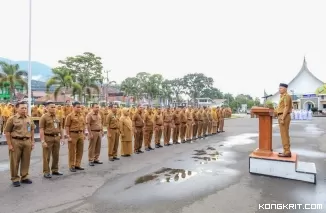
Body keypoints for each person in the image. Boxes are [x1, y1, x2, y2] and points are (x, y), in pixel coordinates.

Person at [5, 101, 35, 187]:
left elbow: (32, 130)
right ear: (17, 108)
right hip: (16, 141)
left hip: (27, 141)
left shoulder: (29, 118)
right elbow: (7, 132)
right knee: (15, 161)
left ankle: (24, 177)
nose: (24, 110)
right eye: (22, 108)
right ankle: (15, 178)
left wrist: (32, 141)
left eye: (25, 108)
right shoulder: (12, 119)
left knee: (26, 160)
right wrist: (10, 144)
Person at [39, 101, 64, 178]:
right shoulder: (44, 117)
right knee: (47, 156)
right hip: (48, 137)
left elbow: (61, 128)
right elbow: (41, 129)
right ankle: (46, 171)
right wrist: (43, 141)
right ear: (46, 108)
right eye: (51, 107)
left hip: (56, 137)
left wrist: (62, 137)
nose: (53, 108)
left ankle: (55, 170)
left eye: (54, 107)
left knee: (56, 155)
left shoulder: (57, 117)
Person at [65, 101, 86, 172]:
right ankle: (71, 165)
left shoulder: (82, 115)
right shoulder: (70, 116)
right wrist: (68, 136)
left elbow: (83, 125)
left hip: (80, 134)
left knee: (80, 150)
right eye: (77, 107)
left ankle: (77, 164)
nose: (79, 108)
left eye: (80, 107)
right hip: (73, 134)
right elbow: (67, 126)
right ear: (73, 107)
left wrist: (84, 134)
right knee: (72, 151)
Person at [276, 83, 293, 157]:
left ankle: (287, 151)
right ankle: (286, 150)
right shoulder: (282, 97)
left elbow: (286, 107)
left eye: (281, 88)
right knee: (284, 135)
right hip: (281, 116)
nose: (279, 89)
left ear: (285, 89)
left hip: (284, 116)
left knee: (284, 135)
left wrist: (282, 118)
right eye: (279, 88)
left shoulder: (287, 96)